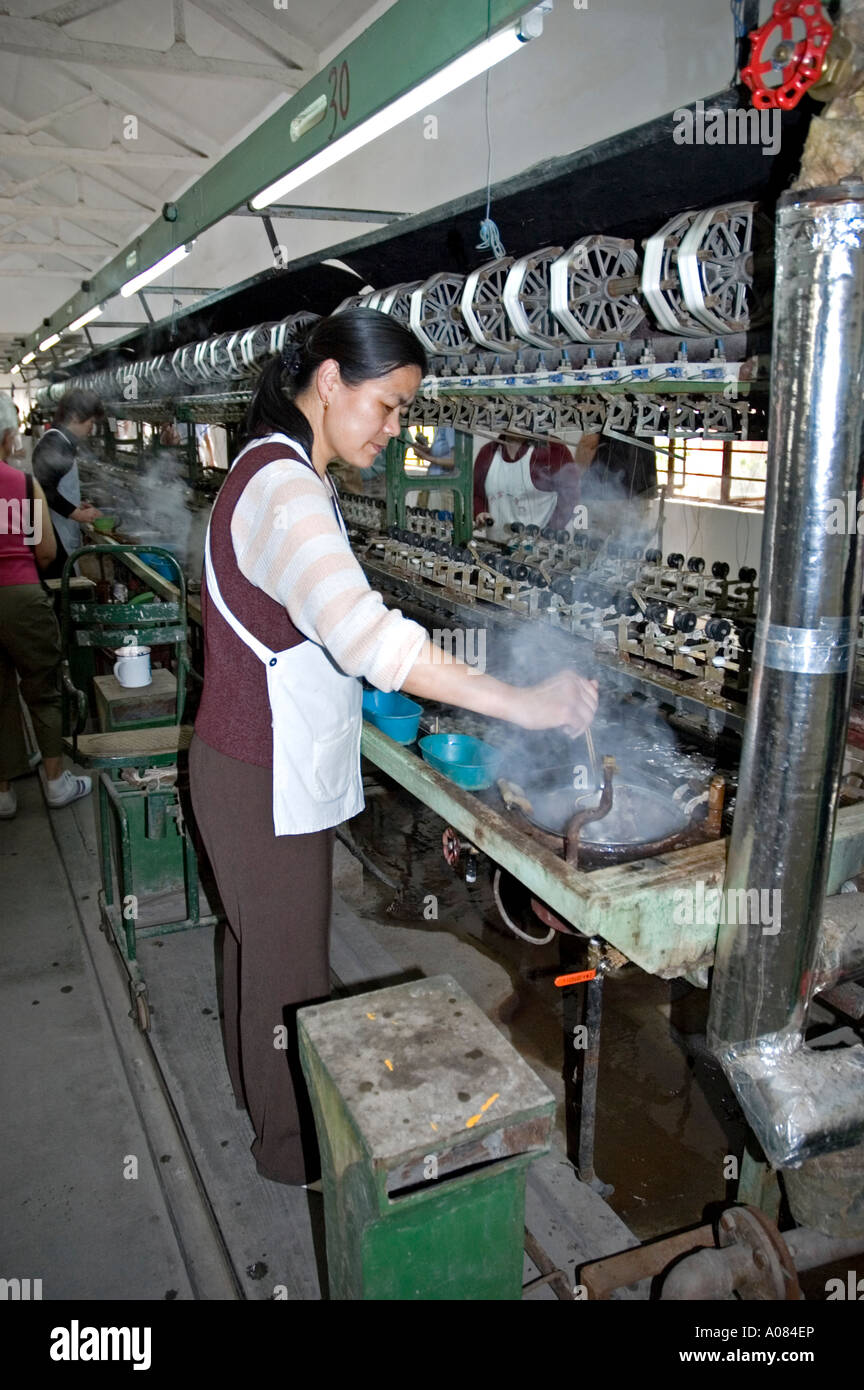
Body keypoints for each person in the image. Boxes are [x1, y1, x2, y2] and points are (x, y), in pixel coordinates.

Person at [188, 310, 598, 1186]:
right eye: (388, 405)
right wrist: (523, 703)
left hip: (241, 764)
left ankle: (257, 1106)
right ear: (330, 381)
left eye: (406, 411)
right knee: (291, 970)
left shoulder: (277, 471)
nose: (395, 429)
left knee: (253, 944)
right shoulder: (285, 488)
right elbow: (372, 642)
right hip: (261, 777)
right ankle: (297, 1155)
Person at [0, 396, 92, 817]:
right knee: (44, 687)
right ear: (7, 436)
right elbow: (44, 551)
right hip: (21, 595)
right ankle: (56, 782)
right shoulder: (22, 485)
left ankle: (3, 791)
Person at [32, 389, 104, 580]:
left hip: (59, 529)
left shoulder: (60, 441)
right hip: (54, 535)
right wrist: (77, 513)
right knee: (63, 588)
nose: (91, 428)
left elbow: (55, 484)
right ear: (74, 416)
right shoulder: (55, 443)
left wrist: (74, 504)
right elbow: (45, 489)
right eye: (90, 422)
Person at [473, 430, 583, 539]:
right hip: (496, 546)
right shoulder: (488, 452)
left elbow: (570, 496)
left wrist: (551, 529)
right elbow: (477, 494)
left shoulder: (553, 449)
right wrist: (480, 512)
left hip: (542, 548)